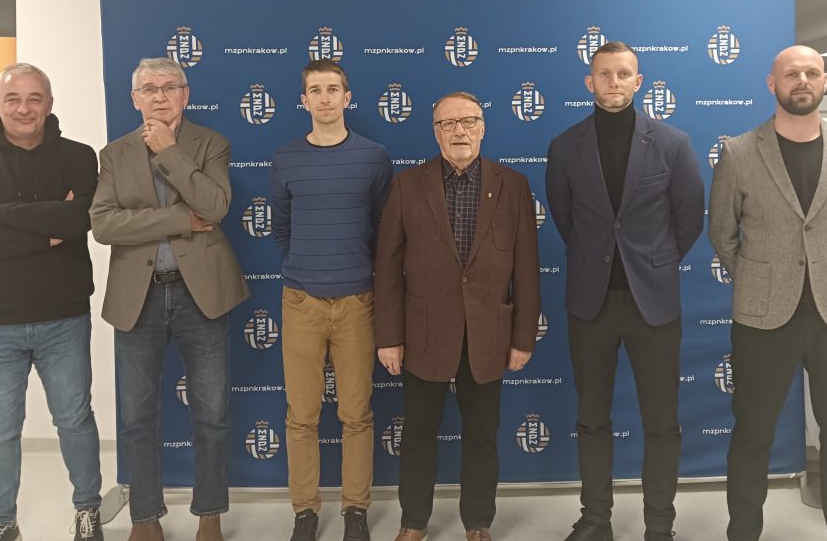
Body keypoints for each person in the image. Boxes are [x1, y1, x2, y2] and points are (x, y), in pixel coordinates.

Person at [709, 45, 827, 541]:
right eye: (790, 74)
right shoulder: (740, 152)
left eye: (810, 72)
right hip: (763, 318)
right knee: (752, 436)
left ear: (824, 81)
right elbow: (722, 233)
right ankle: (743, 532)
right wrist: (758, 278)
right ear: (772, 84)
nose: (801, 80)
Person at [545, 41, 704, 541]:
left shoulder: (673, 143)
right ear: (588, 82)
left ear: (638, 81)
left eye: (623, 74)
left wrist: (652, 263)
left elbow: (688, 219)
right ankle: (596, 520)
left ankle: (660, 525)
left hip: (653, 303)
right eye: (604, 74)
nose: (613, 82)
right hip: (590, 304)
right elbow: (564, 219)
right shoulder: (564, 146)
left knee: (662, 422)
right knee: (591, 418)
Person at [0, 63, 103, 541]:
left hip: (63, 315)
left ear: (49, 104)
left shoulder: (79, 157)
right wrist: (44, 231)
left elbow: (78, 221)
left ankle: (88, 512)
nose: (24, 108)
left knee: (74, 419)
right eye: (13, 98)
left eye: (35, 98)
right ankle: (2, 523)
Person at [90, 57, 247, 541]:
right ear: (134, 99)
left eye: (169, 87)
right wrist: (180, 220)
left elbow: (215, 206)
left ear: (185, 95)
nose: (159, 96)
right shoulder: (114, 154)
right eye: (149, 89)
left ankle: (210, 515)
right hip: (137, 297)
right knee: (137, 417)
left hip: (202, 294)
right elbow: (104, 224)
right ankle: (145, 518)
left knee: (212, 413)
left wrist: (169, 151)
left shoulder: (211, 143)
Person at [375, 91, 540, 541]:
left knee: (482, 435)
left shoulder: (513, 185)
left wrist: (523, 338)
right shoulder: (408, 185)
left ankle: (478, 522)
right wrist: (388, 336)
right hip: (424, 332)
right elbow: (387, 268)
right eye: (447, 123)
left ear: (483, 127)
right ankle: (413, 522)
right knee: (418, 435)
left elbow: (527, 269)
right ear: (436, 133)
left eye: (468, 121)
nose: (459, 131)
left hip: (489, 334)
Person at [270, 58, 393, 541]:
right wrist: (308, 265)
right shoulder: (286, 158)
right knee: (301, 416)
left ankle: (355, 509)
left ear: (347, 97)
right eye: (316, 90)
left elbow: (382, 227)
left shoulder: (373, 157)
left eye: (333, 89)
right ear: (304, 100)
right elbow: (282, 228)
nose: (324, 98)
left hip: (357, 301)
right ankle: (305, 511)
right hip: (301, 301)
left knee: (356, 415)